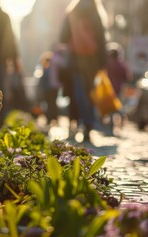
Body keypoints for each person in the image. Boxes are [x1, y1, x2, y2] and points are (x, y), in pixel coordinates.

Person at [60, 0, 107, 142]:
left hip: (75, 61)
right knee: (89, 94)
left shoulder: (72, 12)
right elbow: (101, 39)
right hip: (92, 62)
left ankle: (75, 123)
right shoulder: (96, 13)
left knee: (77, 93)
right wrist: (102, 62)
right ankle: (88, 125)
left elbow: (62, 37)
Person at [106, 47, 132, 135]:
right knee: (117, 106)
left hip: (109, 89)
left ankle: (111, 126)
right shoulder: (122, 65)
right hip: (119, 89)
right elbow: (128, 78)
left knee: (110, 108)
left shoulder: (108, 64)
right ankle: (121, 118)